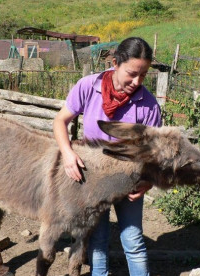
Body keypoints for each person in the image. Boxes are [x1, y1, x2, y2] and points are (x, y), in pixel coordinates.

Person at [53, 37, 161, 276]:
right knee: (98, 239)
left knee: (133, 241)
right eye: (132, 73)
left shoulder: (149, 105)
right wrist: (68, 154)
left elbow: (154, 154)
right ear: (115, 63)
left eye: (143, 75)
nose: (137, 81)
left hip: (129, 183)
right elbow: (60, 121)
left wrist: (148, 182)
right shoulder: (88, 86)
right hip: (93, 180)